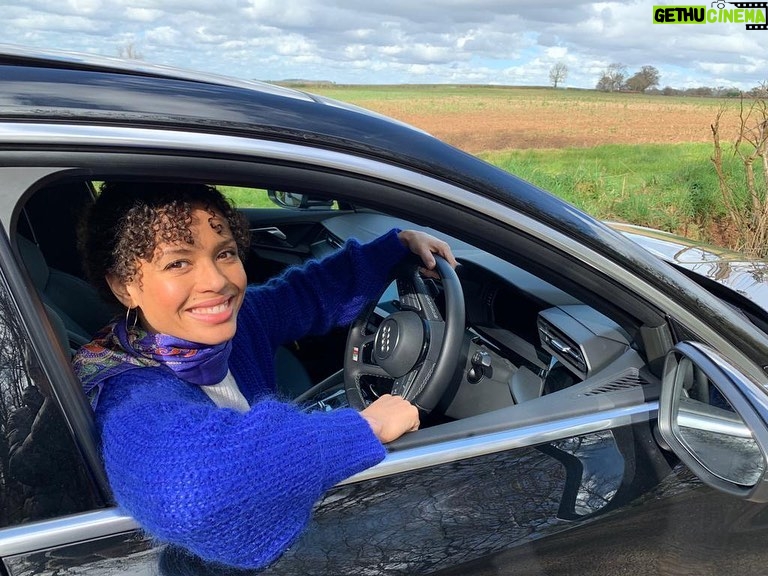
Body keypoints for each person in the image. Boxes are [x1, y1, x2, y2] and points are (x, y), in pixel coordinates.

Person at [71, 181, 456, 570]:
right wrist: (365, 427)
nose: (216, 282)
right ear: (124, 287)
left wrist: (395, 248)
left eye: (224, 254)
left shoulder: (229, 326)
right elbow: (196, 494)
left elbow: (305, 294)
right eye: (178, 263)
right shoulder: (128, 393)